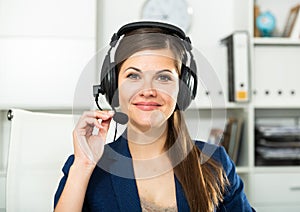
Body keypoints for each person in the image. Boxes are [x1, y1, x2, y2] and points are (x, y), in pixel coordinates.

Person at [54, 21, 254, 212]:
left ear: (183, 90)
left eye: (163, 77)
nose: (148, 90)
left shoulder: (215, 162)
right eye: (133, 75)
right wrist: (83, 165)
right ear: (113, 86)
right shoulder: (87, 166)